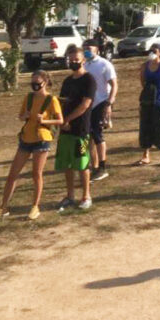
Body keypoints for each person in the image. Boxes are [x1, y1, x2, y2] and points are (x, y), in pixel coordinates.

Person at [0, 70, 63, 220]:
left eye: (37, 83)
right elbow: (21, 116)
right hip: (26, 139)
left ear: (45, 82)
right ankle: (3, 207)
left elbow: (60, 120)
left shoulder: (52, 100)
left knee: (36, 174)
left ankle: (35, 206)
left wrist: (45, 121)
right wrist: (25, 116)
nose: (34, 86)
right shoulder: (28, 98)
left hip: (42, 139)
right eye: (32, 83)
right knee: (12, 175)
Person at [55, 48, 97, 211]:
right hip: (65, 130)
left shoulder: (89, 80)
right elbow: (61, 102)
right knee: (67, 164)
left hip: (81, 130)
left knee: (82, 164)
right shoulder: (67, 81)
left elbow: (85, 104)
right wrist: (60, 120)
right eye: (70, 59)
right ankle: (70, 195)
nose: (73, 62)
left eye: (76, 59)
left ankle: (86, 196)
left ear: (83, 60)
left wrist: (68, 119)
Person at [83, 39, 117, 181]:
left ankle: (102, 167)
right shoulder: (84, 64)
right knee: (89, 136)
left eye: (89, 48)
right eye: (84, 48)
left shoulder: (104, 64)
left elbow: (114, 85)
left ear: (97, 49)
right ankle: (94, 166)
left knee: (97, 134)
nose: (86, 50)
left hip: (101, 103)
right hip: (87, 105)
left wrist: (109, 103)